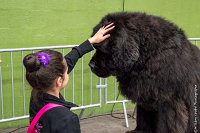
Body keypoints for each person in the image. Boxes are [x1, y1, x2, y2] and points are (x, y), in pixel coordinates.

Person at [23, 23, 114, 133]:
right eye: (66, 71)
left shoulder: (37, 93)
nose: (68, 71)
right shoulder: (66, 119)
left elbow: (66, 62)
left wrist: (91, 41)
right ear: (59, 80)